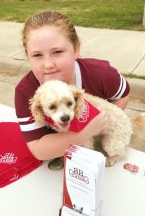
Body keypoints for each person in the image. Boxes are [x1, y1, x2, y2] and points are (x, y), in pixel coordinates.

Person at [14, 11, 130, 169]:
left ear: (75, 50)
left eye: (57, 52)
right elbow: (38, 149)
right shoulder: (25, 92)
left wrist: (104, 123)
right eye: (37, 55)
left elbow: (123, 94)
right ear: (28, 57)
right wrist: (84, 134)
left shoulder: (101, 73)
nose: (48, 64)